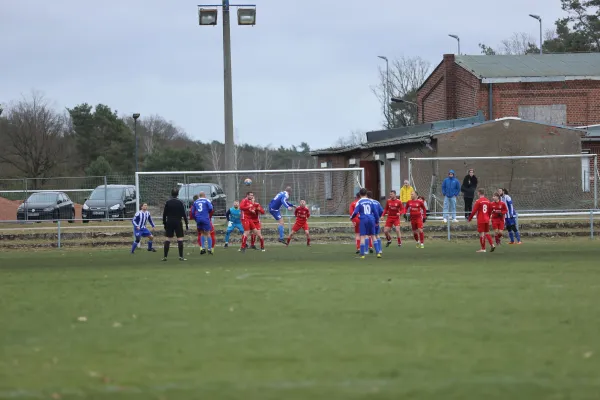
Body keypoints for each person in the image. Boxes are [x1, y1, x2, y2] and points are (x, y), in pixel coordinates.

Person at [350, 188, 381, 259]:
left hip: (363, 219)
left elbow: (355, 212)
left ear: (360, 194)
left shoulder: (359, 202)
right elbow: (375, 212)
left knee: (362, 236)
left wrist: (351, 218)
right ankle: (378, 252)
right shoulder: (371, 202)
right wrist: (377, 221)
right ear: (366, 194)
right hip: (371, 219)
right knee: (373, 235)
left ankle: (362, 254)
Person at [162, 187, 189, 261]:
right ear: (178, 194)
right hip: (178, 222)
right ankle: (181, 256)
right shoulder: (180, 202)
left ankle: (165, 257)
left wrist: (164, 223)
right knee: (180, 238)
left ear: (171, 194)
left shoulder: (168, 202)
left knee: (168, 239)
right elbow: (184, 214)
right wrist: (186, 224)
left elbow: (164, 214)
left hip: (169, 222)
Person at [367, 190, 384, 256]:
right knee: (377, 235)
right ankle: (380, 249)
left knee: (367, 235)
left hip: (369, 220)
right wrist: (379, 218)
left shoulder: (366, 202)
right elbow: (381, 211)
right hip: (376, 220)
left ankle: (366, 250)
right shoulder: (377, 202)